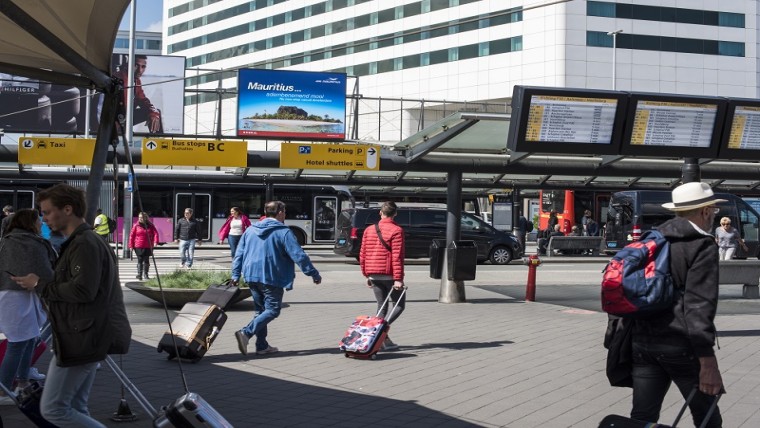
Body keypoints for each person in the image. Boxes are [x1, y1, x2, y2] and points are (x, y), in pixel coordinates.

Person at [11, 183, 131, 427]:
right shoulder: (82, 241)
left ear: (67, 209)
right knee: (75, 406)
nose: (43, 218)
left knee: (53, 409)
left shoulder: (84, 244)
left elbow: (82, 290)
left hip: (81, 337)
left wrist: (39, 284)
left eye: (46, 212)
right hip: (82, 333)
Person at [628, 182, 724, 427]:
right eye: (713, 210)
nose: (714, 214)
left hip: (642, 340)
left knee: (642, 418)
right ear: (705, 211)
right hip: (680, 345)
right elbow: (698, 306)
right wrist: (707, 359)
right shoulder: (702, 245)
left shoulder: (653, 238)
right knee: (708, 417)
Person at [231, 201, 322, 356]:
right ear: (280, 212)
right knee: (273, 310)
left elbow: (239, 254)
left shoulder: (251, 230)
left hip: (252, 275)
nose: (285, 214)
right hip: (272, 276)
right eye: (285, 211)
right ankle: (245, 333)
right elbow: (299, 255)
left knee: (260, 311)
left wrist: (235, 274)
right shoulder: (283, 232)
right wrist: (313, 273)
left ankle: (261, 346)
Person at [0, 209, 56, 406]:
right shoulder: (34, 243)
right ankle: (3, 389)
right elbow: (48, 272)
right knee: (18, 344)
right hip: (21, 298)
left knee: (27, 340)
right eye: (38, 220)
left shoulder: (6, 241)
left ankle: (22, 382)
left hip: (8, 295)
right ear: (29, 223)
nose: (41, 223)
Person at [359, 201, 405, 350]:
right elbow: (397, 256)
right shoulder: (397, 230)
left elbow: (363, 253)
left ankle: (381, 338)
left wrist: (367, 274)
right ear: (395, 213)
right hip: (390, 275)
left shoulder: (369, 230)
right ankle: (381, 332)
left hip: (373, 274)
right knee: (399, 305)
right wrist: (398, 279)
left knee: (381, 306)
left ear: (380, 212)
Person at [114, 54, 163, 133]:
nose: (140, 70)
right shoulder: (119, 78)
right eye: (136, 65)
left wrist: (153, 112)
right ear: (128, 64)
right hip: (116, 119)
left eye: (143, 67)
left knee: (156, 113)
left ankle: (157, 140)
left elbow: (142, 100)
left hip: (126, 116)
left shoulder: (136, 80)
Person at [128, 212, 160, 280]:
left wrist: (155, 242)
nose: (140, 219)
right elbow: (131, 236)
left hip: (148, 246)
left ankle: (146, 274)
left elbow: (155, 233)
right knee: (140, 259)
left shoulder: (150, 225)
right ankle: (139, 274)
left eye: (142, 217)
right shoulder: (136, 226)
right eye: (139, 217)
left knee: (146, 260)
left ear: (145, 218)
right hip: (138, 245)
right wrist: (130, 246)